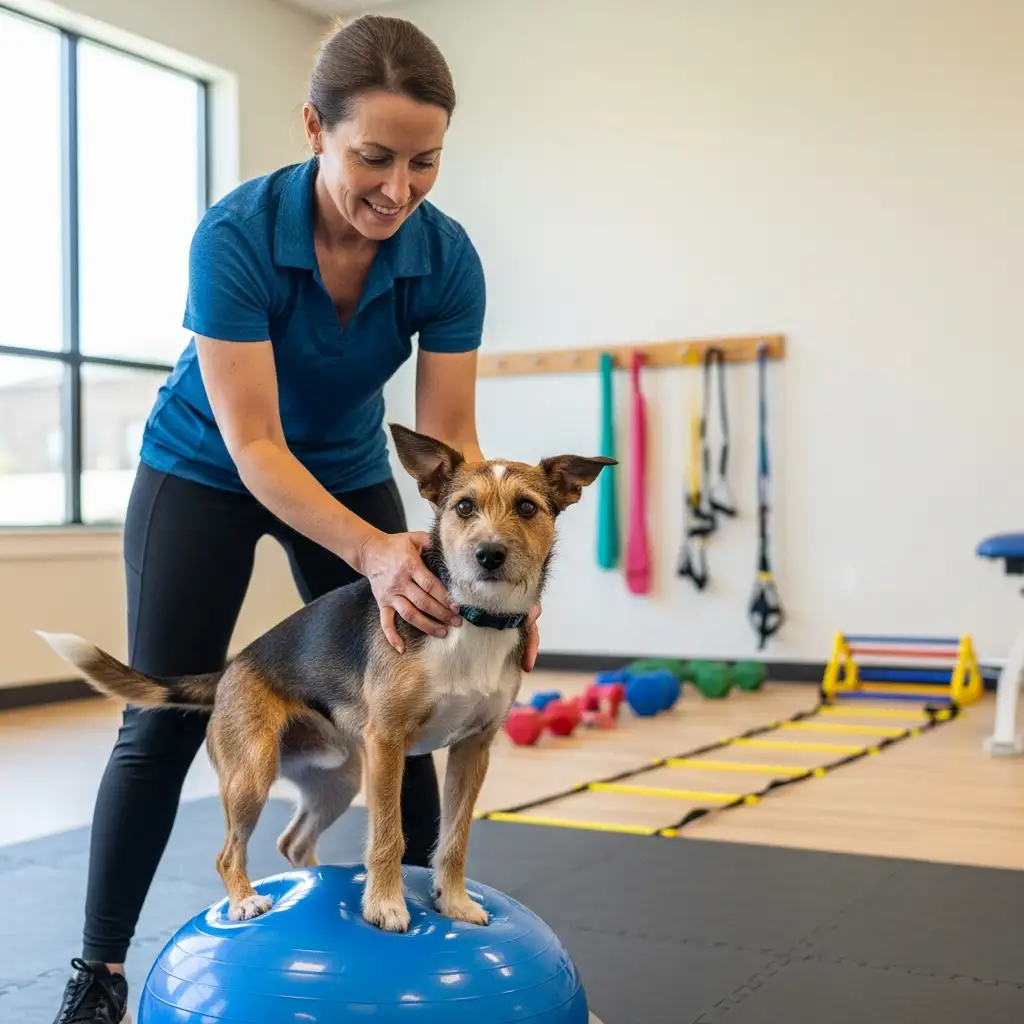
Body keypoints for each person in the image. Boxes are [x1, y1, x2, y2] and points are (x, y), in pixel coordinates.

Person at [52, 14, 540, 1023]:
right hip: (206, 467)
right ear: (313, 127)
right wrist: (370, 555)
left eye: (423, 163)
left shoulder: (447, 260)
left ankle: (410, 925)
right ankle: (95, 975)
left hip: (351, 462)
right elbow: (256, 446)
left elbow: (448, 450)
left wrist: (486, 595)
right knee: (160, 721)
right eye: (372, 158)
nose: (397, 190)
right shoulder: (234, 235)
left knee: (412, 683)